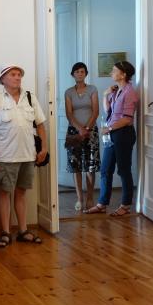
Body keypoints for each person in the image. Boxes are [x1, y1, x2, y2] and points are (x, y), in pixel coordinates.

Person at [0, 65, 48, 247]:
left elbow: (40, 125)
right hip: (5, 157)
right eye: (13, 74)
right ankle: (5, 232)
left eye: (19, 75)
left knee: (21, 193)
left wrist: (43, 148)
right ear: (3, 79)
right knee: (4, 193)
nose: (17, 77)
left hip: (28, 156)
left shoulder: (30, 98)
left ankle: (23, 231)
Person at [85, 60, 139, 217]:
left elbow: (127, 119)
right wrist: (105, 95)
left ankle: (125, 205)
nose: (111, 73)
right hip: (113, 134)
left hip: (123, 134)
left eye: (114, 71)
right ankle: (102, 204)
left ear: (123, 75)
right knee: (106, 169)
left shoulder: (130, 92)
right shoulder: (118, 91)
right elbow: (108, 111)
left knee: (123, 170)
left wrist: (108, 128)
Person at [63, 62, 99, 211]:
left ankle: (90, 197)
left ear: (86, 74)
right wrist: (80, 129)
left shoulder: (92, 89)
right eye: (77, 71)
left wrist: (87, 129)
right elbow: (69, 114)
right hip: (74, 132)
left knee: (90, 166)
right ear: (73, 74)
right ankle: (79, 198)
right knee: (76, 166)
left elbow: (95, 111)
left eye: (82, 71)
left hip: (91, 131)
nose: (80, 74)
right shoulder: (68, 92)